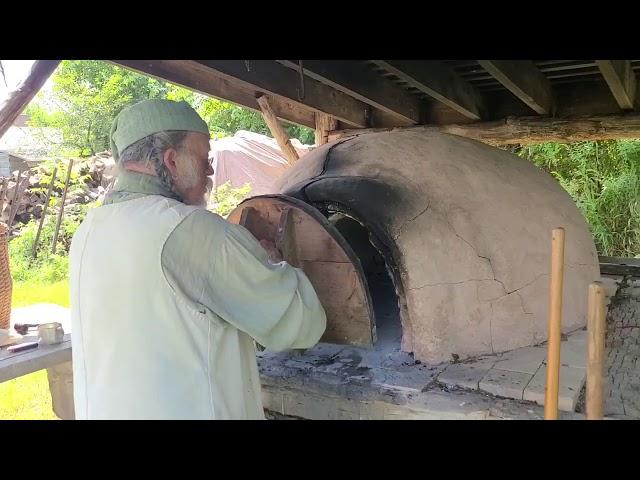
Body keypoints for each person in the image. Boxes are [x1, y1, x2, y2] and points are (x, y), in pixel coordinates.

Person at [69, 99, 326, 419]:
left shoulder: (88, 233)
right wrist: (271, 264)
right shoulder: (190, 231)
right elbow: (300, 322)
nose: (209, 169)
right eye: (204, 157)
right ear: (172, 160)